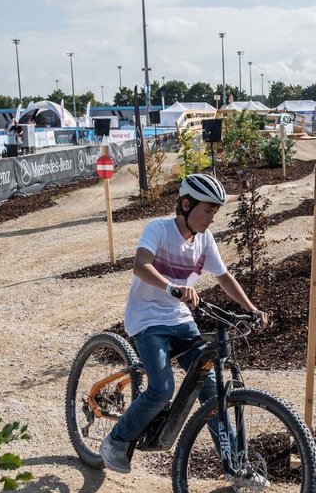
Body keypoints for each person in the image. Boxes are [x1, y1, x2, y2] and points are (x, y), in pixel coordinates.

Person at [99, 173, 269, 474]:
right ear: (186, 204)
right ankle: (116, 440)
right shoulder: (159, 230)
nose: (212, 218)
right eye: (207, 210)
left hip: (179, 318)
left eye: (215, 211)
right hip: (148, 318)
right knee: (163, 388)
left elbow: (224, 277)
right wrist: (172, 288)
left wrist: (251, 308)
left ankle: (232, 464)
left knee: (211, 387)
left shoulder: (204, 240)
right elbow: (141, 265)